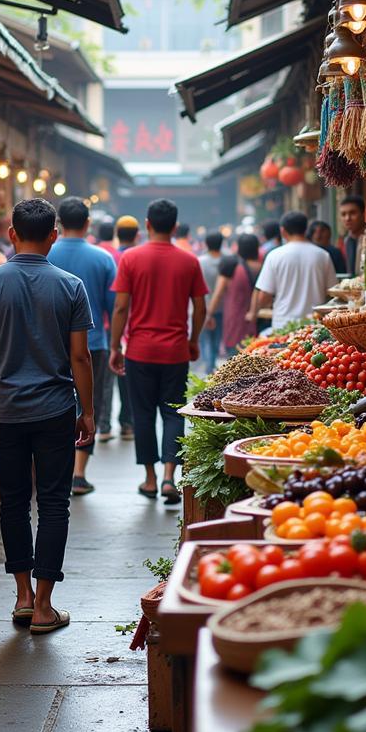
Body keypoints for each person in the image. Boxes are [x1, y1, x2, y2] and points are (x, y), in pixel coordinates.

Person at [0, 198, 95, 635]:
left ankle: (21, 598)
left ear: (12, 234)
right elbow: (80, 358)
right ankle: (44, 605)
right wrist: (88, 412)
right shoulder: (71, 286)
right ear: (54, 236)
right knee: (55, 503)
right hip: (56, 408)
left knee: (14, 502)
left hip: (5, 410)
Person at [110, 198, 207, 504]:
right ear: (175, 227)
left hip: (139, 350)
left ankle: (150, 480)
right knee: (173, 412)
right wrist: (193, 340)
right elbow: (201, 307)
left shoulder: (130, 258)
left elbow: (121, 306)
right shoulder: (189, 261)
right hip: (175, 352)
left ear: (147, 225)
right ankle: (169, 478)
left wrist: (115, 346)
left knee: (142, 415)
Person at [48, 197, 117, 494]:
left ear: (59, 225)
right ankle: (78, 473)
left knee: (54, 402)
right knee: (88, 404)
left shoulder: (46, 253)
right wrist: (117, 345)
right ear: (88, 224)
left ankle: (56, 470)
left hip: (49, 342)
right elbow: (113, 308)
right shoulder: (103, 259)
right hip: (94, 344)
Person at [249, 211, 337, 332]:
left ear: (283, 231)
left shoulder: (274, 256)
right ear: (306, 230)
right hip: (315, 326)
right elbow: (333, 292)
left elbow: (264, 296)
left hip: (283, 326)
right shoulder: (323, 255)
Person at [207, 232, 263, 358]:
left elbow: (218, 293)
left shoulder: (230, 265)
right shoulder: (261, 267)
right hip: (257, 320)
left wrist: (209, 314)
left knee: (234, 359)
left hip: (235, 321)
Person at [113, 215, 141, 439]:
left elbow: (116, 304)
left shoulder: (112, 257)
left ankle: (115, 422)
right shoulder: (139, 258)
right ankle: (127, 422)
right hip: (134, 327)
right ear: (138, 234)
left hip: (115, 324)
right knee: (128, 380)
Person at [197, 231, 224, 371]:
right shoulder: (226, 261)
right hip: (221, 307)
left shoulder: (201, 262)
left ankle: (209, 366)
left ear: (206, 244)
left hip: (203, 306)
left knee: (205, 339)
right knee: (217, 339)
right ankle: (211, 365)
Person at [338, 195, 366, 275]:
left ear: (363, 214)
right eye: (343, 214)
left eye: (352, 213)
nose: (347, 218)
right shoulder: (345, 241)